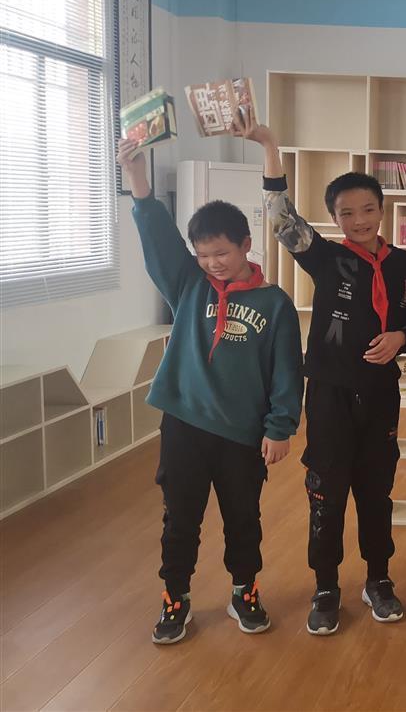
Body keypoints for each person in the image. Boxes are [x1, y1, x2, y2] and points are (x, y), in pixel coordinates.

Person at [235, 110, 406, 636]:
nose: (360, 220)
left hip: (381, 396)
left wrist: (401, 338)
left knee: (376, 493)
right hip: (331, 395)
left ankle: (378, 579)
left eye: (368, 209)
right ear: (334, 217)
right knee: (326, 492)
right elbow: (280, 217)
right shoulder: (325, 258)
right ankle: (326, 586)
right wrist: (270, 146)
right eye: (347, 212)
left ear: (382, 210)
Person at [119, 138, 302, 646]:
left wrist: (280, 427)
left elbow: (287, 373)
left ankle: (245, 591)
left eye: (221, 253)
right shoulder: (188, 284)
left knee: (243, 519)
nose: (212, 263)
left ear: (246, 244)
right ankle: (175, 596)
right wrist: (137, 178)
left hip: (243, 433)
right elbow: (158, 238)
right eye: (202, 255)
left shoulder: (275, 304)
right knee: (180, 518)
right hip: (184, 424)